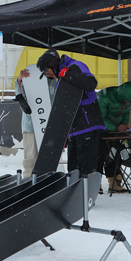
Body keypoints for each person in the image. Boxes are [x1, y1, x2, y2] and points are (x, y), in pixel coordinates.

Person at [35, 49, 105, 179]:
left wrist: (68, 74)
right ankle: (76, 193)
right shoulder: (61, 79)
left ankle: (87, 193)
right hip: (74, 130)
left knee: (86, 168)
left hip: (88, 125)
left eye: (46, 71)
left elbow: (91, 83)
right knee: (73, 169)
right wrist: (63, 135)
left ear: (52, 64)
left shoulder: (75, 66)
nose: (47, 76)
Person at [97, 81, 131, 194]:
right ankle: (96, 184)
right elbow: (99, 117)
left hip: (115, 132)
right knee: (99, 156)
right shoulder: (104, 97)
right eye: (127, 101)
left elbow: (125, 116)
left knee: (115, 155)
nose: (128, 103)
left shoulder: (127, 100)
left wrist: (124, 128)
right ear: (122, 96)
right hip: (99, 131)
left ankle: (115, 183)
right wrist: (117, 127)